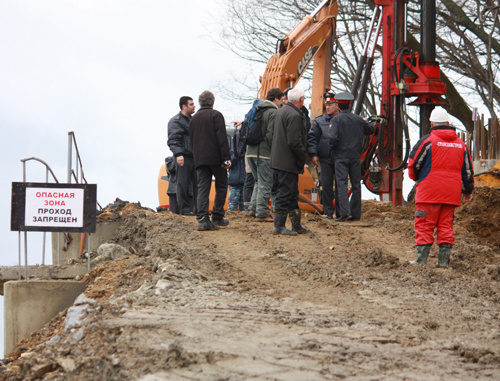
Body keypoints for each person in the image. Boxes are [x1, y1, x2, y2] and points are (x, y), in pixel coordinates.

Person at [407, 107, 474, 267]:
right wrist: (467, 191)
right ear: (448, 123)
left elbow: (413, 163)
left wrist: (417, 179)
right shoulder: (461, 145)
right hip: (451, 194)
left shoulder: (427, 141)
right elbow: (468, 171)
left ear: (432, 123)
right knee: (446, 226)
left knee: (424, 224)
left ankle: (421, 260)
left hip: (428, 192)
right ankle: (443, 262)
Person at [189, 90, 232, 231]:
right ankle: (217, 216)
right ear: (212, 102)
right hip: (216, 158)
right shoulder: (216, 115)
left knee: (203, 188)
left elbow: (191, 140)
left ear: (200, 102)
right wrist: (226, 158)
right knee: (221, 186)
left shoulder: (193, 119)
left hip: (200, 159)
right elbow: (222, 138)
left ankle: (202, 219)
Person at [330, 92, 374, 222]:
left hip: (341, 156)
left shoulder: (335, 120)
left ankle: (345, 213)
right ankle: (356, 214)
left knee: (342, 184)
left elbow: (332, 138)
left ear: (338, 105)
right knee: (356, 184)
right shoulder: (358, 119)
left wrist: (333, 149)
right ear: (349, 105)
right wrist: (367, 121)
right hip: (355, 156)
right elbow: (371, 129)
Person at [270, 87, 309, 235]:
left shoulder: (281, 111)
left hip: (279, 160)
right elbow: (294, 141)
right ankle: (278, 226)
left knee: (292, 193)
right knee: (285, 194)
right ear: (300, 100)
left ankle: (296, 225)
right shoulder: (294, 115)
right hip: (288, 162)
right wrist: (302, 155)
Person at [247, 87, 284, 222]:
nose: (281, 103)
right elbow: (271, 135)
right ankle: (262, 213)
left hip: (250, 152)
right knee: (266, 183)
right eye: (281, 100)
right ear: (276, 99)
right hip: (263, 153)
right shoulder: (273, 112)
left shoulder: (256, 109)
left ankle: (253, 208)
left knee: (258, 181)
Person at [307, 92, 340, 219]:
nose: (328, 106)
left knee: (339, 185)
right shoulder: (319, 121)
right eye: (327, 104)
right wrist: (314, 154)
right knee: (326, 185)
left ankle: (339, 211)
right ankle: (328, 212)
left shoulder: (342, 119)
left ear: (337, 105)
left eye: (330, 104)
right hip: (325, 158)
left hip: (339, 158)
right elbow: (313, 138)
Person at [167, 96, 197, 215]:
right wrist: (179, 154)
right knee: (182, 185)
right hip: (183, 157)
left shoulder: (193, 120)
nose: (194, 106)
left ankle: (198, 209)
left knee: (197, 185)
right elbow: (173, 140)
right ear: (184, 106)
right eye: (191, 104)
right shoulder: (176, 121)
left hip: (195, 157)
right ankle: (184, 210)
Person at [228, 129, 246, 211]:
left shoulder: (248, 154)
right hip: (234, 183)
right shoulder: (231, 153)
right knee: (232, 207)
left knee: (244, 207)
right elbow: (227, 164)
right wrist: (236, 154)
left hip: (245, 184)